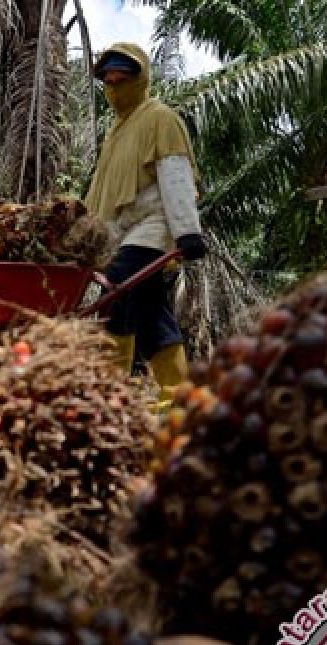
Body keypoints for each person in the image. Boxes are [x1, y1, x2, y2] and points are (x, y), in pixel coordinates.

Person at [84, 42, 205, 405]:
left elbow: (175, 175)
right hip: (120, 234)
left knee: (114, 296)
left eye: (123, 78)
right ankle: (178, 395)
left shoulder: (159, 118)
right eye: (108, 80)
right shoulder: (116, 131)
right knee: (152, 313)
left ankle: (108, 395)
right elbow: (102, 190)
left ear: (142, 79)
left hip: (151, 227)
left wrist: (187, 231)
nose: (115, 86)